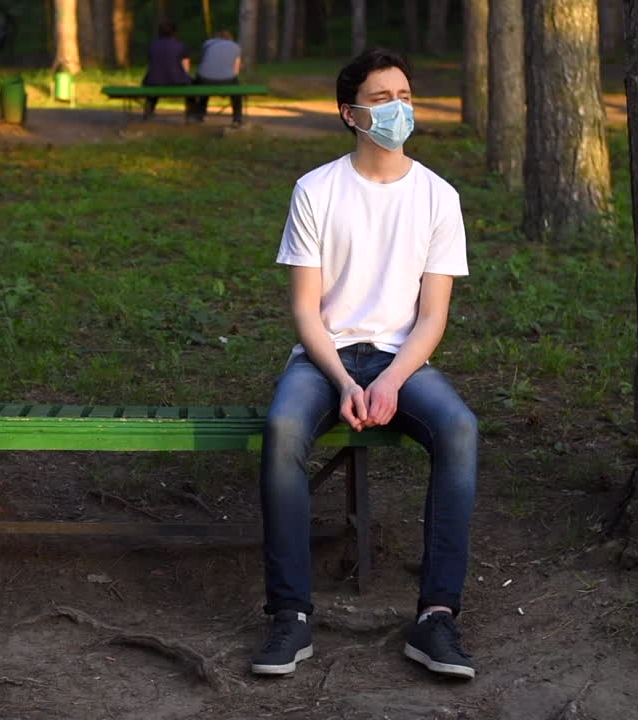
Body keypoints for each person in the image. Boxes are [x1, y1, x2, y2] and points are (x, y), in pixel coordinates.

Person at [250, 48, 478, 681]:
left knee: (458, 429)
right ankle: (290, 616)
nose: (397, 108)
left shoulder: (438, 197)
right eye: (381, 99)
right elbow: (305, 309)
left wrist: (392, 380)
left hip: (400, 358)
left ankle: (436, 616)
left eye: (404, 94)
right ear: (349, 114)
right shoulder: (316, 190)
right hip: (325, 356)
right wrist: (348, 381)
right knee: (284, 430)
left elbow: (432, 315)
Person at [189, 29, 243, 126]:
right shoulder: (236, 47)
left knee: (200, 86)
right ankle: (237, 117)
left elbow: (204, 62)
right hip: (227, 80)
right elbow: (236, 71)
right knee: (237, 91)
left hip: (205, 78)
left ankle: (199, 114)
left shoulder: (207, 44)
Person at [141, 20, 192, 120]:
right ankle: (191, 113)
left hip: (154, 81)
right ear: (175, 32)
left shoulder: (152, 45)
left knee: (153, 84)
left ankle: (149, 111)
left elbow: (152, 65)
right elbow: (186, 69)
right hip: (177, 81)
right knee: (191, 86)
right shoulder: (181, 46)